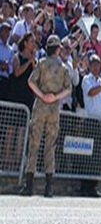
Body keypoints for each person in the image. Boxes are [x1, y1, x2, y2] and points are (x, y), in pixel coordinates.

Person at [20, 35, 72, 197]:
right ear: (57, 49)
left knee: (34, 143)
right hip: (53, 108)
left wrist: (42, 95)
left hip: (40, 106)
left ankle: (29, 185)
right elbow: (69, 89)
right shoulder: (63, 68)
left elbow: (30, 81)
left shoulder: (41, 63)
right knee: (50, 145)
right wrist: (54, 97)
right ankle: (49, 187)